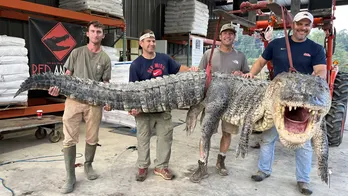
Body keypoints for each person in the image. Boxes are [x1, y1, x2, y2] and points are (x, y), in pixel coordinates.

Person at [243, 11, 326, 195]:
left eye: (307, 25)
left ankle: (303, 180)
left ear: (310, 27)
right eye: (300, 24)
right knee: (268, 136)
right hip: (278, 100)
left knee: (302, 142)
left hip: (301, 101)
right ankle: (264, 170)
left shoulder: (316, 49)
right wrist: (251, 74)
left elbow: (321, 71)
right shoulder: (277, 44)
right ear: (292, 25)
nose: (303, 28)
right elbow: (260, 62)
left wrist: (314, 81)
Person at [48, 21, 112, 194]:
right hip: (74, 101)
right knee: (69, 138)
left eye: (99, 31)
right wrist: (57, 88)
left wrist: (107, 99)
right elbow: (66, 77)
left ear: (103, 35)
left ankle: (88, 165)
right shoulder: (76, 53)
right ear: (87, 33)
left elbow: (105, 83)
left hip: (94, 103)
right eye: (93, 31)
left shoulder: (105, 58)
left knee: (92, 137)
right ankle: (70, 176)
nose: (96, 34)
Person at [128, 29, 198, 182]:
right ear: (141, 43)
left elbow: (179, 69)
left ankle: (161, 166)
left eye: (153, 41)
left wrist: (191, 70)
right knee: (143, 138)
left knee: (165, 138)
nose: (152, 43)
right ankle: (142, 166)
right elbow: (132, 89)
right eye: (148, 41)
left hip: (163, 108)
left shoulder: (164, 59)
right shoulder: (136, 65)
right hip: (143, 110)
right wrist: (133, 108)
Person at [190, 23, 250, 183]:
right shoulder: (209, 54)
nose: (228, 36)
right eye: (225, 33)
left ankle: (221, 160)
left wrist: (241, 75)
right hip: (211, 101)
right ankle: (202, 164)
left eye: (231, 34)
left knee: (227, 132)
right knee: (206, 132)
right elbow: (200, 76)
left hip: (232, 102)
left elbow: (247, 76)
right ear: (220, 36)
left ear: (234, 37)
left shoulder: (241, 56)